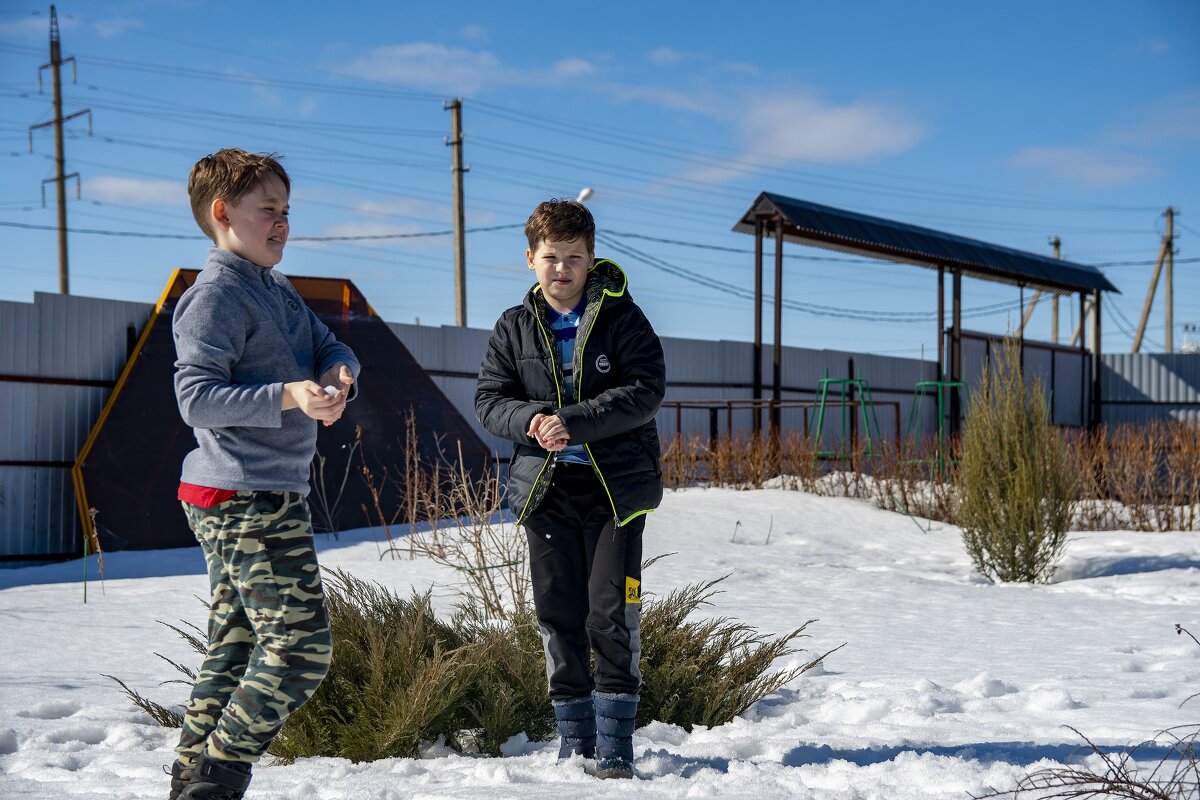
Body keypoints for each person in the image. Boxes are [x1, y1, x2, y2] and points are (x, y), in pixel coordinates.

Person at [167, 148, 360, 800]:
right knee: (300, 649)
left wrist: (337, 374)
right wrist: (288, 395)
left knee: (235, 646)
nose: (282, 223)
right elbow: (195, 398)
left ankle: (189, 783)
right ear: (223, 214)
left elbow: (328, 344)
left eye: (286, 211)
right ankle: (215, 783)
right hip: (242, 494)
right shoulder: (215, 297)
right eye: (267, 211)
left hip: (258, 490)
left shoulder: (272, 289)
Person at [475, 199, 666, 779]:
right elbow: (489, 401)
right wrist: (532, 418)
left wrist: (574, 422)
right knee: (559, 614)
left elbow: (645, 389)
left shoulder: (621, 318)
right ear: (530, 257)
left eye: (574, 258)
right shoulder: (513, 326)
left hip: (615, 495)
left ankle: (615, 748)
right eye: (551, 257)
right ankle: (574, 745)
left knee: (611, 613)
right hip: (545, 492)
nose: (562, 269)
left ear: (591, 259)